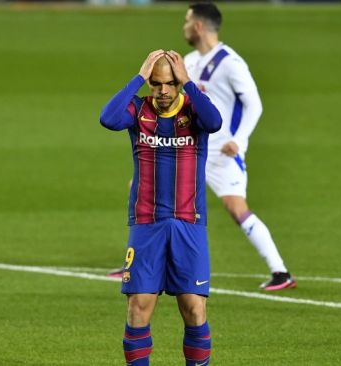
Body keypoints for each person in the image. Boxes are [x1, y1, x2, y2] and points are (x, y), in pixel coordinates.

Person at [100, 49, 222, 366]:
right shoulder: (138, 110)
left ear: (178, 82)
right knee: (138, 307)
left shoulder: (194, 110)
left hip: (188, 223)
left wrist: (190, 83)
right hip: (146, 224)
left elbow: (215, 122)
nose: (163, 91)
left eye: (169, 84)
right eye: (156, 84)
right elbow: (107, 118)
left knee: (194, 308)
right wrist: (139, 76)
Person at [182, 2, 296, 291]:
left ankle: (280, 272)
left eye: (186, 21)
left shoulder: (231, 63)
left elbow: (254, 104)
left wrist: (239, 139)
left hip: (223, 153)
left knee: (236, 208)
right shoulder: (189, 61)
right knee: (150, 189)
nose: (183, 27)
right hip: (192, 148)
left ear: (198, 26)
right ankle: (136, 261)